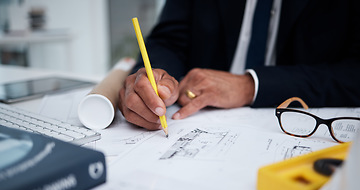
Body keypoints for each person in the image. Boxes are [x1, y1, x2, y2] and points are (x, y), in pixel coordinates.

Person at [117, 0, 360, 131]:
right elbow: (168, 40)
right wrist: (159, 80)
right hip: (198, 118)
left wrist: (251, 85)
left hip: (297, 126)